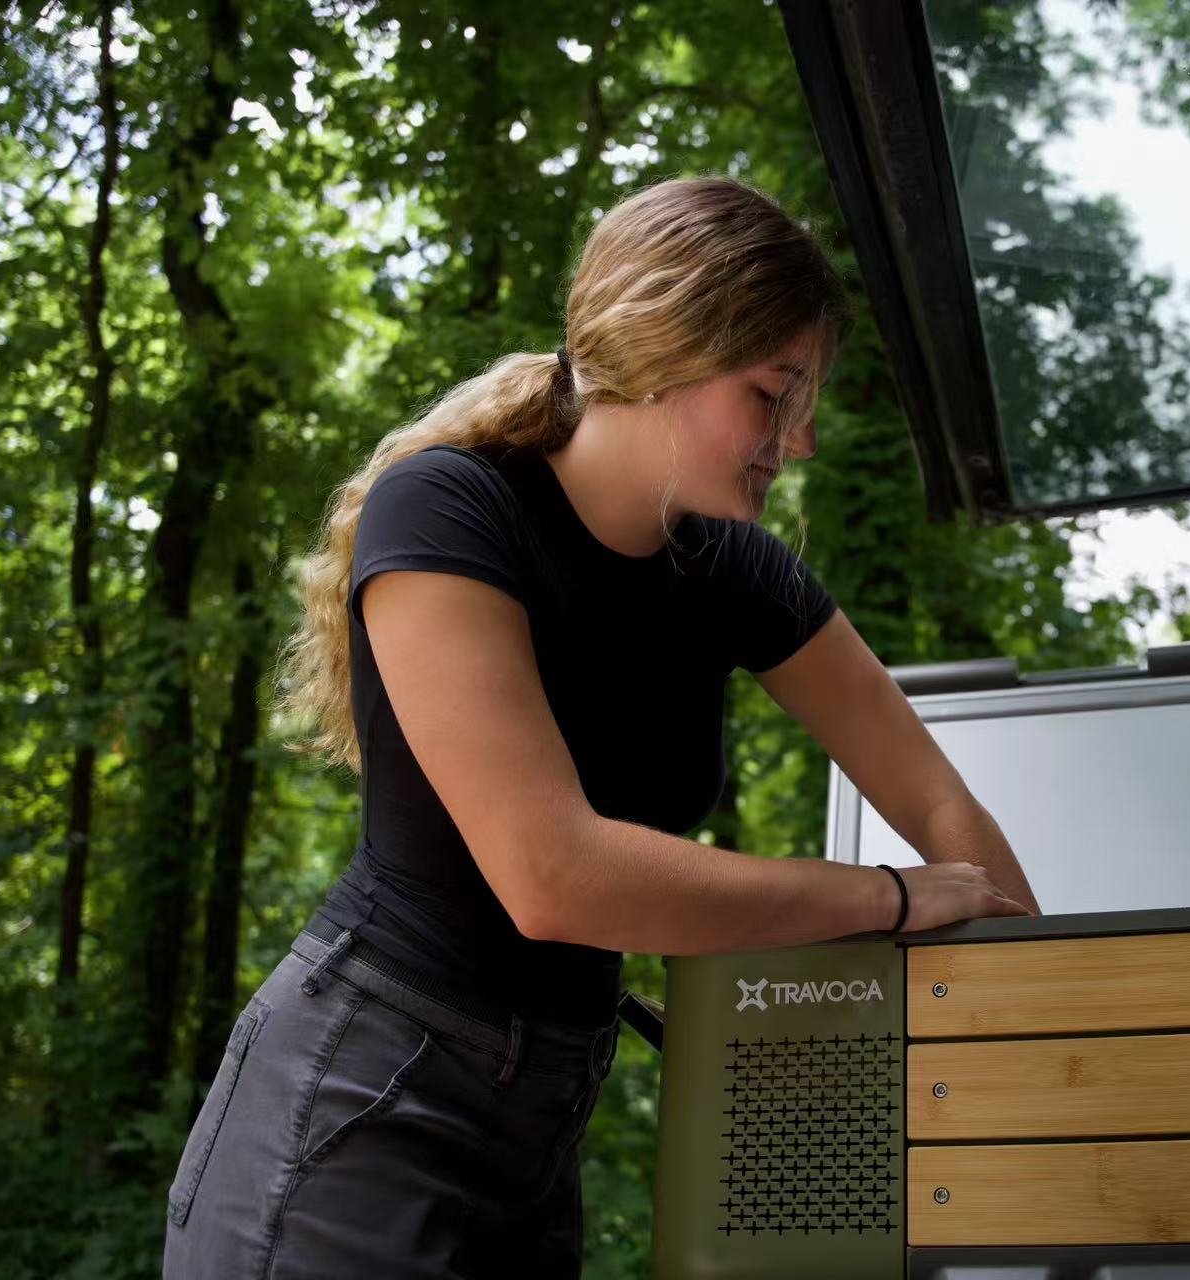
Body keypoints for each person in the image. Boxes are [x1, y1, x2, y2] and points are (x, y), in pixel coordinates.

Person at [159, 174, 1038, 1279]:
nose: (801, 441)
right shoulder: (447, 508)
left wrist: (1037, 1027)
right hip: (362, 1094)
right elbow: (552, 875)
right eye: (774, 396)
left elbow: (939, 800)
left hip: (546, 1116)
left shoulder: (737, 571)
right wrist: (892, 897)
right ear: (664, 346)